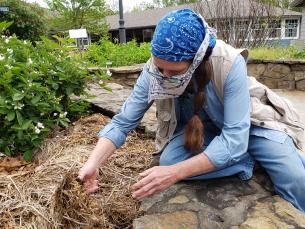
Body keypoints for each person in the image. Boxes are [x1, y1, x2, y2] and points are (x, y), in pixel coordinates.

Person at [78, 9, 305, 213]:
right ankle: (247, 161)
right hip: (206, 131)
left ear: (197, 59)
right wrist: (93, 163)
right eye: (159, 68)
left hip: (250, 126)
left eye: (174, 71)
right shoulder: (155, 72)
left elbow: (236, 136)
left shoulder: (229, 62)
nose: (163, 77)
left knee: (294, 176)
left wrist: (176, 174)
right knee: (168, 162)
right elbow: (123, 122)